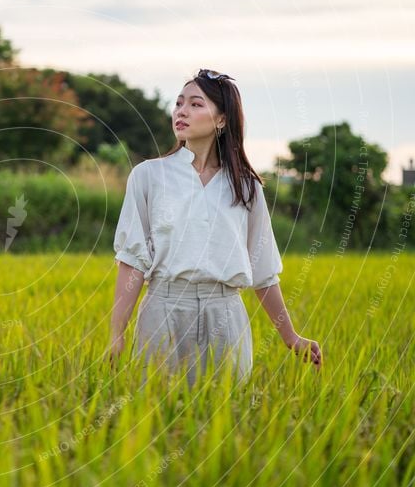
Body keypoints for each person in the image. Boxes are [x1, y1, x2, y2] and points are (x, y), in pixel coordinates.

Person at [108, 68, 322, 389]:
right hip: (163, 310)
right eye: (179, 103)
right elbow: (132, 261)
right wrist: (116, 333)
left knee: (226, 419)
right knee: (156, 417)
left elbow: (262, 272)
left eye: (196, 104)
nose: (182, 111)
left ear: (221, 120)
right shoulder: (148, 176)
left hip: (226, 315)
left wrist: (290, 337)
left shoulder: (247, 187)